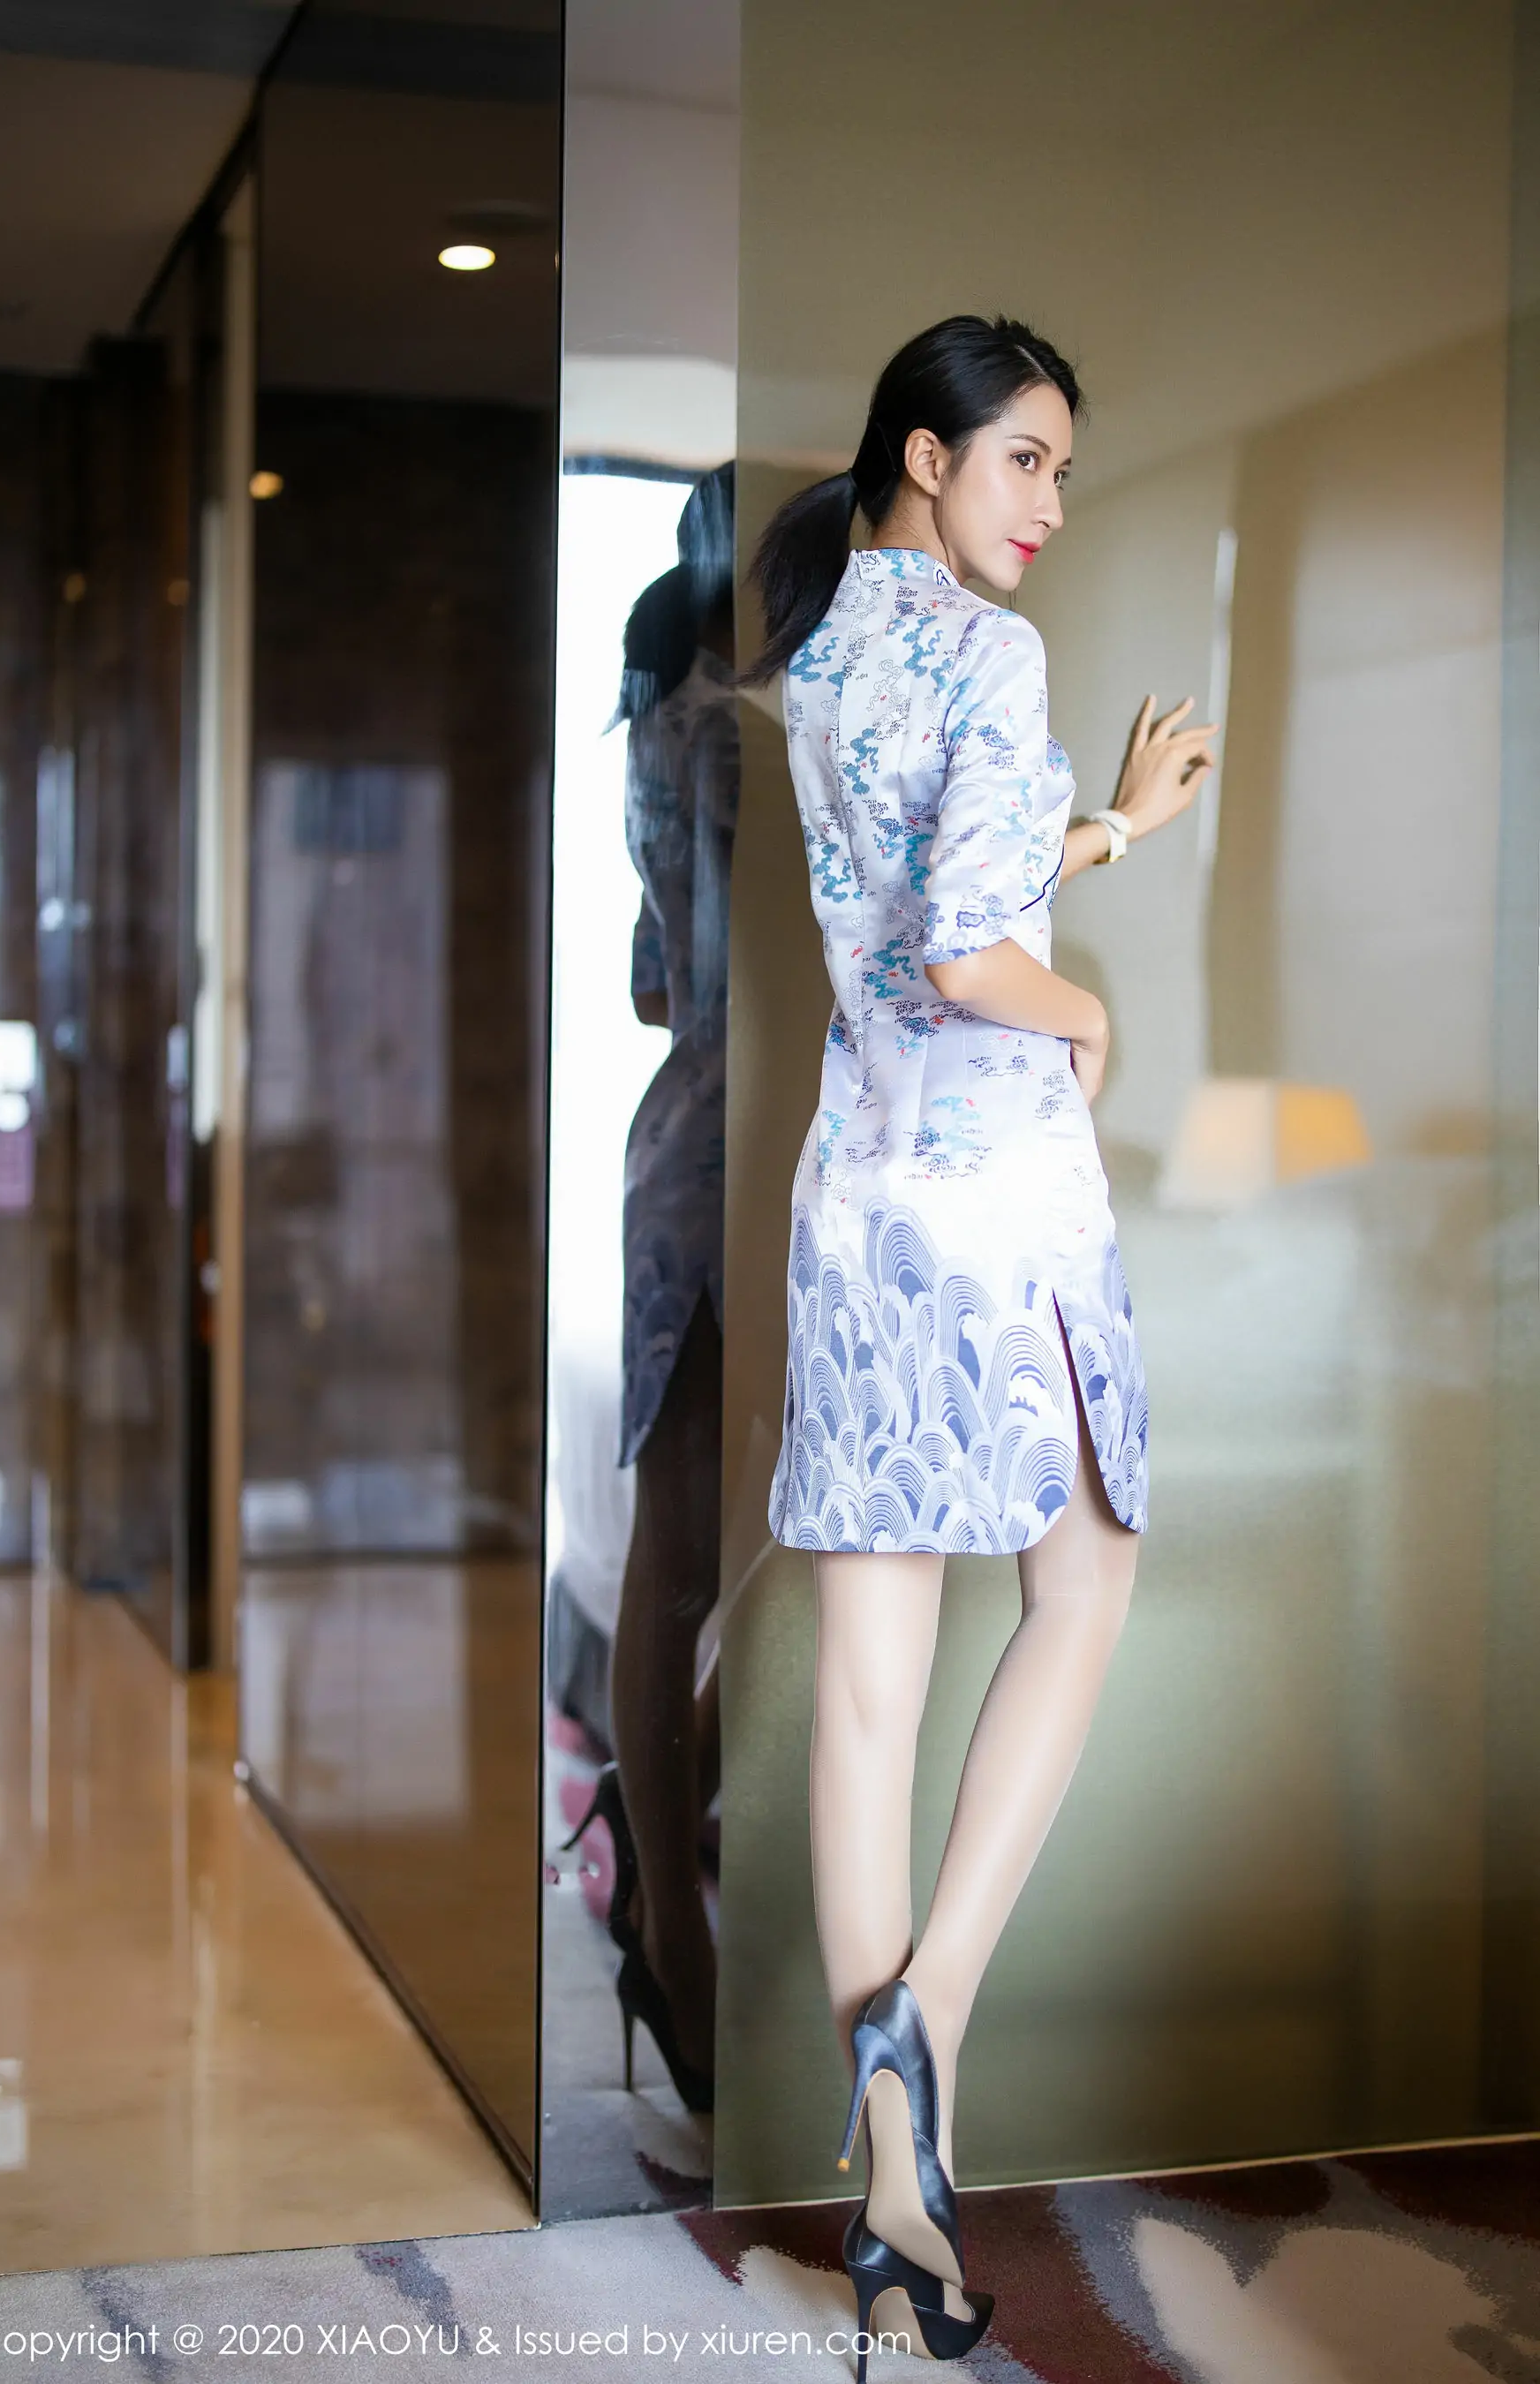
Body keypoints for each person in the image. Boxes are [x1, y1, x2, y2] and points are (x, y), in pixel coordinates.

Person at [744, 318, 1214, 2373]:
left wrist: (1110, 828)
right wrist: (1089, 1011)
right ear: (927, 457)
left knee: (871, 1685)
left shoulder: (821, 653)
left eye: (1062, 473)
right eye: (1025, 460)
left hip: (857, 1204)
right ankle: (926, 2025)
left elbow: (937, 889)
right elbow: (969, 948)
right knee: (1085, 1582)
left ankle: (894, 2181)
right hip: (997, 1197)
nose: (1049, 505)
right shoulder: (988, 652)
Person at [577, 465, 737, 2115]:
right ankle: (679, 1949)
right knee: (704, 1551)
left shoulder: (661, 715)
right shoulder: (747, 723)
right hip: (747, 1151)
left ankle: (655, 1822)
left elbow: (648, 986)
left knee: (687, 1553)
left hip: (685, 1134)